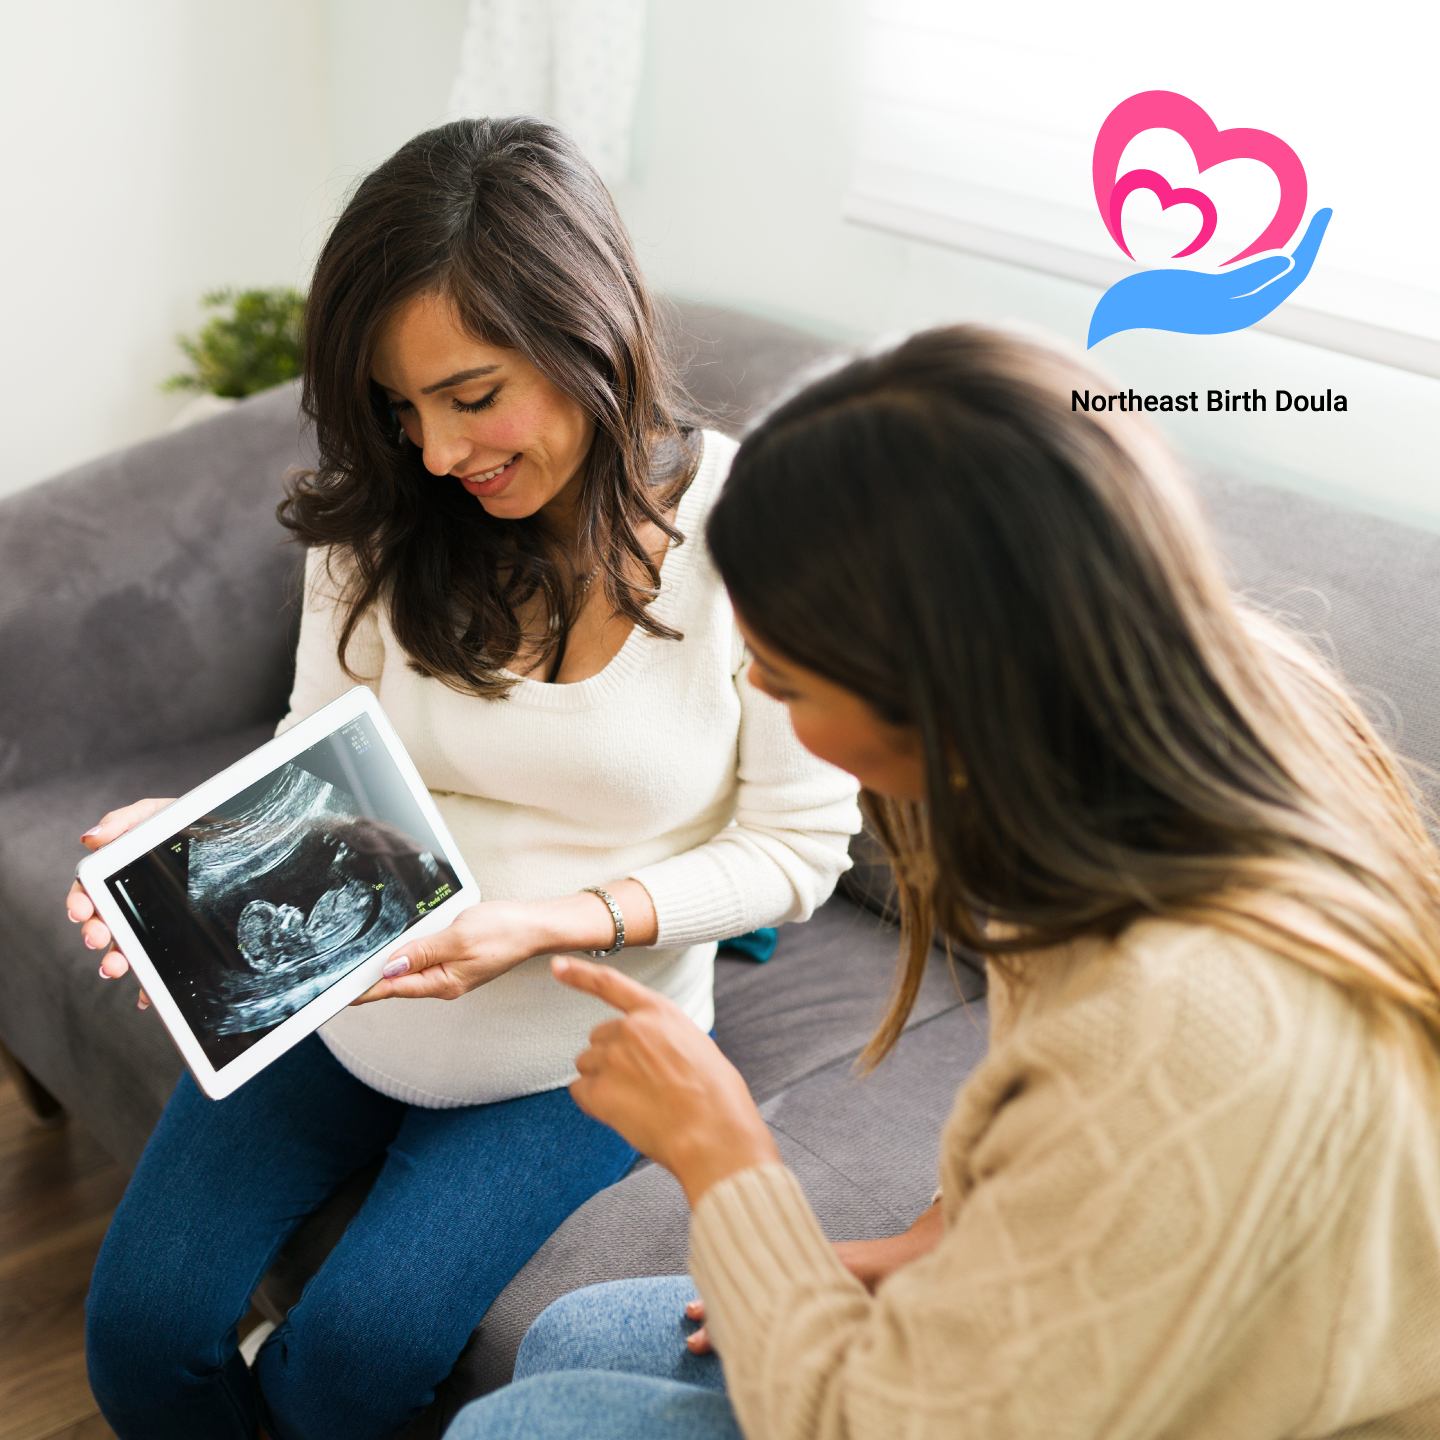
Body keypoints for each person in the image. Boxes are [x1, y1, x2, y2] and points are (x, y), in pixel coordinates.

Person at [444, 325, 1440, 1439]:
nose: (765, 700)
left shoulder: (1177, 1025)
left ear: (944, 683)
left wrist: (720, 1152)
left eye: (787, 680)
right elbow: (1071, 1204)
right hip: (1124, 1317)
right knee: (583, 1338)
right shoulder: (1167, 730)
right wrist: (913, 1255)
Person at [66, 117, 860, 1440]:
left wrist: (553, 921)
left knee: (344, 1371)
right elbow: (315, 742)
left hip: (575, 1043)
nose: (437, 452)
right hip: (343, 1004)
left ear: (588, 332)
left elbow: (799, 848)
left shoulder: (761, 535)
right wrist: (199, 838)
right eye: (399, 407)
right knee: (137, 1344)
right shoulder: (385, 515)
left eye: (473, 394)